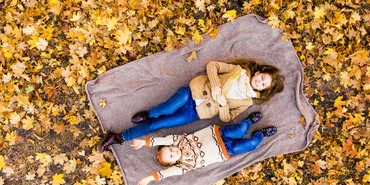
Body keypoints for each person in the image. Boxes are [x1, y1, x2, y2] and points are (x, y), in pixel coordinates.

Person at [99, 60, 284, 152]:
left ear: (262, 91)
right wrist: (216, 86)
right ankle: (150, 112)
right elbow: (212, 66)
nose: (259, 82)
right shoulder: (238, 72)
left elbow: (228, 118)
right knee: (165, 109)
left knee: (159, 125)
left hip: (197, 113)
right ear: (259, 72)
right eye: (261, 78)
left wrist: (222, 104)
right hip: (193, 91)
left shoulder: (247, 101)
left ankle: (119, 137)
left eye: (262, 85)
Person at [131, 112, 277, 185]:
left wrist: (145, 142)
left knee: (241, 129)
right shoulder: (184, 166)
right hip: (227, 150)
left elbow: (163, 140)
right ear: (173, 163)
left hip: (220, 134)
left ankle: (249, 121)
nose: (172, 151)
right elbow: (166, 174)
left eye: (169, 149)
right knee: (250, 144)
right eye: (170, 156)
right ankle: (261, 134)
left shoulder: (180, 140)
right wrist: (150, 178)